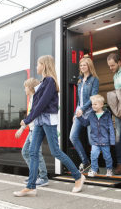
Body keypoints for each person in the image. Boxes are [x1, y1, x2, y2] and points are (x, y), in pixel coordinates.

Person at [13, 55, 85, 197]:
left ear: (44, 65)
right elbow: (36, 105)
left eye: (38, 64)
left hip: (48, 120)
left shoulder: (50, 81)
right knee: (33, 152)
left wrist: (27, 120)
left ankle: (78, 177)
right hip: (40, 121)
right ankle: (31, 186)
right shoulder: (43, 82)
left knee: (55, 151)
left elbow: (42, 104)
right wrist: (29, 119)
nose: (36, 67)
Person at [15, 78, 49, 187]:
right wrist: (22, 128)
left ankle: (43, 178)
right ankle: (33, 175)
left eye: (25, 87)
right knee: (25, 152)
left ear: (30, 88)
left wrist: (22, 128)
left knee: (36, 153)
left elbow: (34, 115)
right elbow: (30, 116)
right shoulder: (31, 99)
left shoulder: (36, 98)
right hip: (31, 130)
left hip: (36, 130)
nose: (24, 90)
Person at [69, 57, 99, 173]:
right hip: (80, 111)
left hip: (90, 112)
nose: (82, 67)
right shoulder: (80, 80)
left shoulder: (94, 80)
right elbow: (79, 99)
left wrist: (82, 109)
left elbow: (93, 98)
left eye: (84, 65)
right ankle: (86, 161)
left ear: (89, 66)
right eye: (81, 65)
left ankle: (94, 167)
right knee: (73, 137)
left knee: (92, 141)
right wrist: (75, 113)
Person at [77, 95, 115, 177]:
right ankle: (94, 170)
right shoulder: (91, 115)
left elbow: (111, 128)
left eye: (95, 104)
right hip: (95, 141)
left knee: (107, 157)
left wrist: (112, 140)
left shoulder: (107, 115)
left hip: (105, 141)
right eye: (92, 104)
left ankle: (109, 170)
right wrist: (79, 117)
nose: (93, 106)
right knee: (93, 156)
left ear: (101, 105)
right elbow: (85, 123)